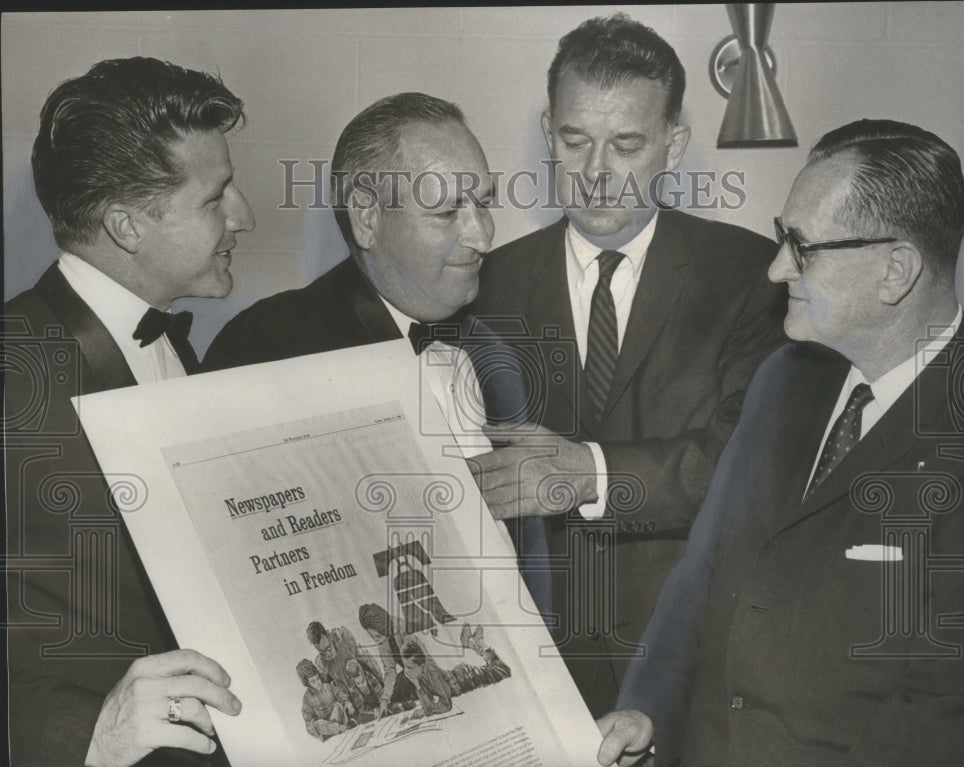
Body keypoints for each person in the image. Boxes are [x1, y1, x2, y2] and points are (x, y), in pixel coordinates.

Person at [597, 119, 964, 766]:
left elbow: (939, 725)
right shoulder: (784, 378)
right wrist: (648, 706)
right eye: (783, 234)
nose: (777, 264)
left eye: (801, 245)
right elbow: (702, 573)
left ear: (895, 270)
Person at [471, 13, 786, 715]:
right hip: (532, 667)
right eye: (576, 141)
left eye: (627, 145)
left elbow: (752, 468)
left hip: (689, 667)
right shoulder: (485, 285)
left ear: (673, 146)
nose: (596, 175)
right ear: (549, 132)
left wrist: (592, 471)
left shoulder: (750, 277)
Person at [202, 92, 551, 616]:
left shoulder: (493, 344)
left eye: (483, 202)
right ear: (366, 218)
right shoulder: (268, 346)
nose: (482, 236)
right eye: (447, 211)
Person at [4, 57, 255, 767]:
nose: (247, 217)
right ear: (126, 225)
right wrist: (86, 734)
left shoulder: (181, 346)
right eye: (217, 197)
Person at [296, 659, 352, 741]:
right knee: (318, 724)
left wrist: (347, 702)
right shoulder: (307, 698)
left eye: (317, 678)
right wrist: (317, 735)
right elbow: (308, 720)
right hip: (326, 728)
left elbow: (339, 694)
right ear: (307, 683)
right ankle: (344, 729)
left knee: (337, 705)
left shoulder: (328, 686)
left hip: (339, 719)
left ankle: (341, 728)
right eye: (313, 681)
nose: (318, 682)